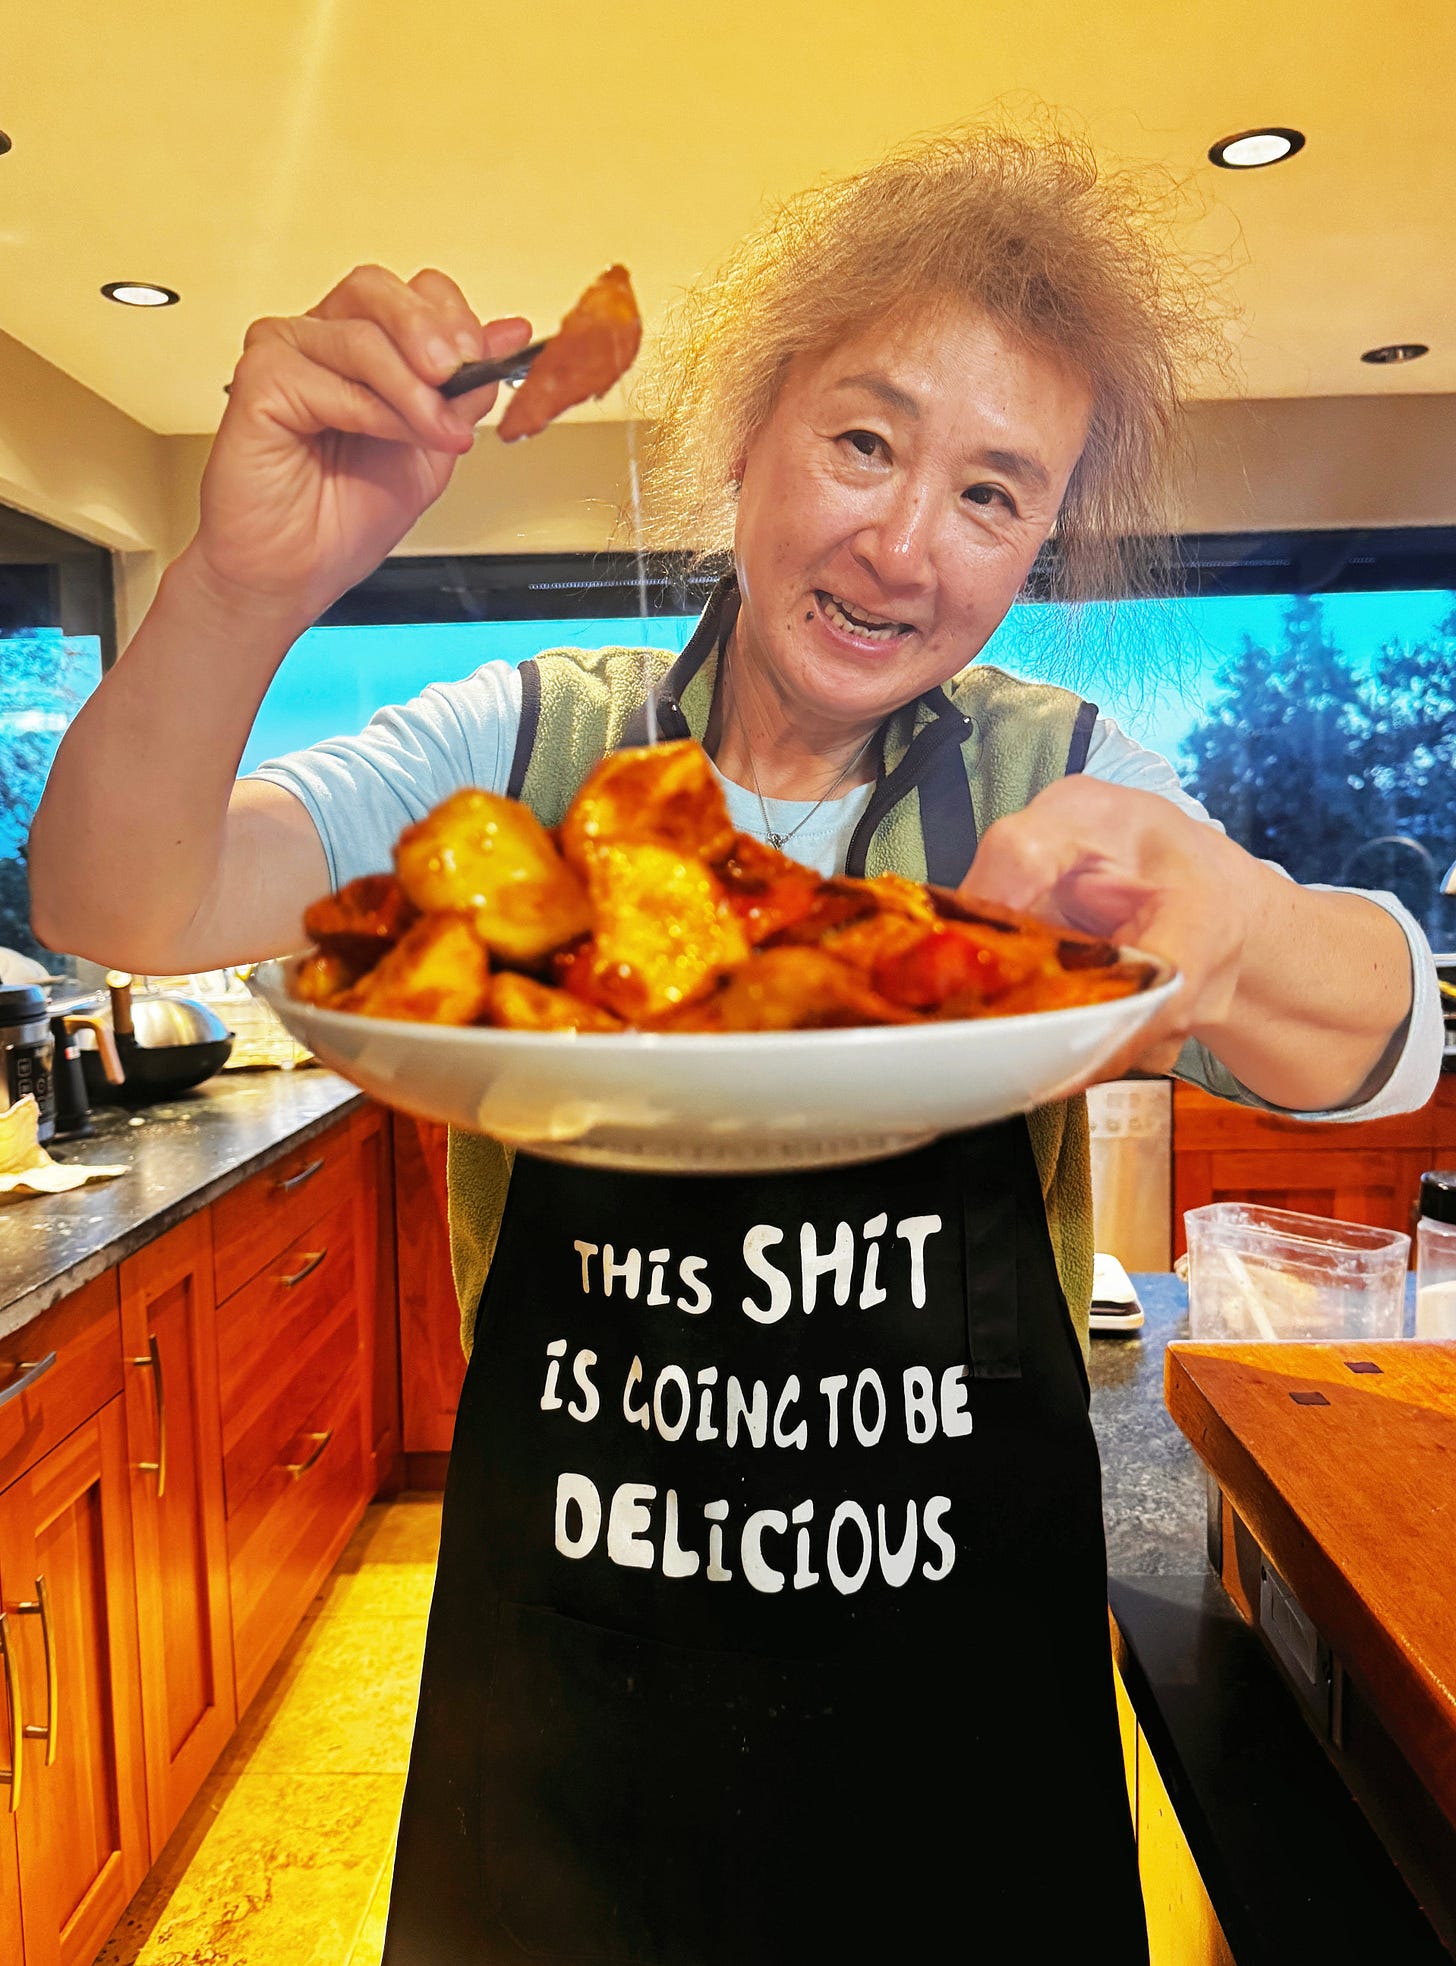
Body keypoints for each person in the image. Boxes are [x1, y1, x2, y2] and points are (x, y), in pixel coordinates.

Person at [31, 130, 1441, 1963]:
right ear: (752, 429)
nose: (903, 540)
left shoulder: (1061, 782)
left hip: (961, 1726)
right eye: (864, 440)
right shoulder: (531, 746)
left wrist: (1243, 932)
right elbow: (118, 899)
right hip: (571, 1719)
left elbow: (1388, 1040)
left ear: (1034, 546)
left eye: (995, 495)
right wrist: (235, 586)